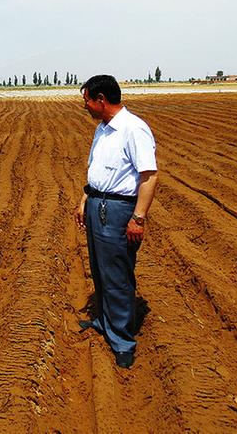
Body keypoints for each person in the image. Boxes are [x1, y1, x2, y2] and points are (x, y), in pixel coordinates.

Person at [74, 75, 158, 369]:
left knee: (118, 274)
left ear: (101, 100)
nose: (84, 106)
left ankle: (123, 340)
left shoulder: (134, 129)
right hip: (97, 203)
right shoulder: (102, 130)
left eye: (86, 100)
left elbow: (149, 176)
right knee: (99, 268)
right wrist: (85, 200)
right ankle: (105, 322)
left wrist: (138, 218)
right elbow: (96, 170)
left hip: (119, 210)